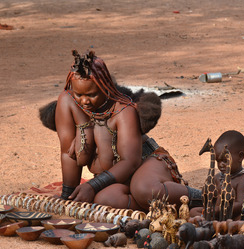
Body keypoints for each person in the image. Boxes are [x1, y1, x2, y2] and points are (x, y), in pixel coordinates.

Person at [39, 50, 202, 211]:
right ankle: (153, 206)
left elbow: (129, 162)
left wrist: (92, 185)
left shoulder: (123, 110)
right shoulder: (68, 101)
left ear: (105, 87)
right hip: (114, 178)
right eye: (78, 94)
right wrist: (68, 195)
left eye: (92, 94)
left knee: (145, 189)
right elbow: (68, 154)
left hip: (145, 162)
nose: (84, 101)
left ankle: (203, 198)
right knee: (105, 200)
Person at [189, 130, 244, 219]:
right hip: (214, 212)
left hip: (230, 214)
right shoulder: (217, 177)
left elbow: (241, 204)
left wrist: (220, 210)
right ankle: (208, 221)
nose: (220, 165)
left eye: (225, 161)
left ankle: (211, 223)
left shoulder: (241, 179)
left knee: (241, 218)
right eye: (218, 161)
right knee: (193, 211)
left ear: (240, 156)